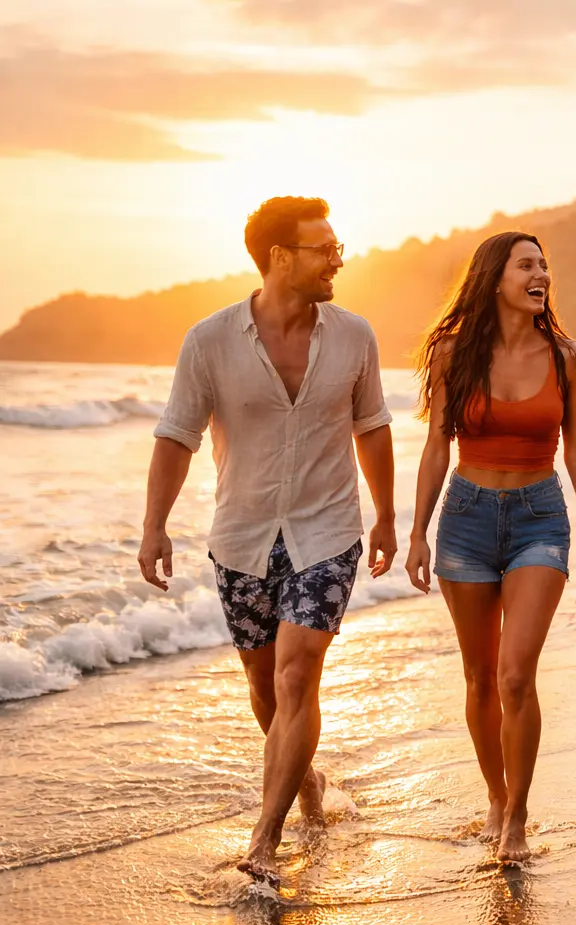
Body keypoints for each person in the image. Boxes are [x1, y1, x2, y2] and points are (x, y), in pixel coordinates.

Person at [139, 196, 397, 886]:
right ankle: (304, 780)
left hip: (328, 529)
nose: (337, 258)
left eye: (337, 246)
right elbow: (176, 435)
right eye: (324, 248)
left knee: (296, 672)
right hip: (243, 534)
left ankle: (265, 837)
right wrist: (153, 525)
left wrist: (387, 515)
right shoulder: (210, 340)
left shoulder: (354, 336)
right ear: (280, 257)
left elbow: (371, 426)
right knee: (263, 680)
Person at [404, 232, 576, 865]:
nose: (541, 273)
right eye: (527, 264)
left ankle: (518, 817)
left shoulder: (567, 357)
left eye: (545, 264)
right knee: (479, 677)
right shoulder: (453, 352)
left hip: (538, 519)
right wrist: (416, 529)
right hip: (465, 519)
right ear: (495, 278)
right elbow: (438, 443)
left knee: (515, 674)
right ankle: (495, 797)